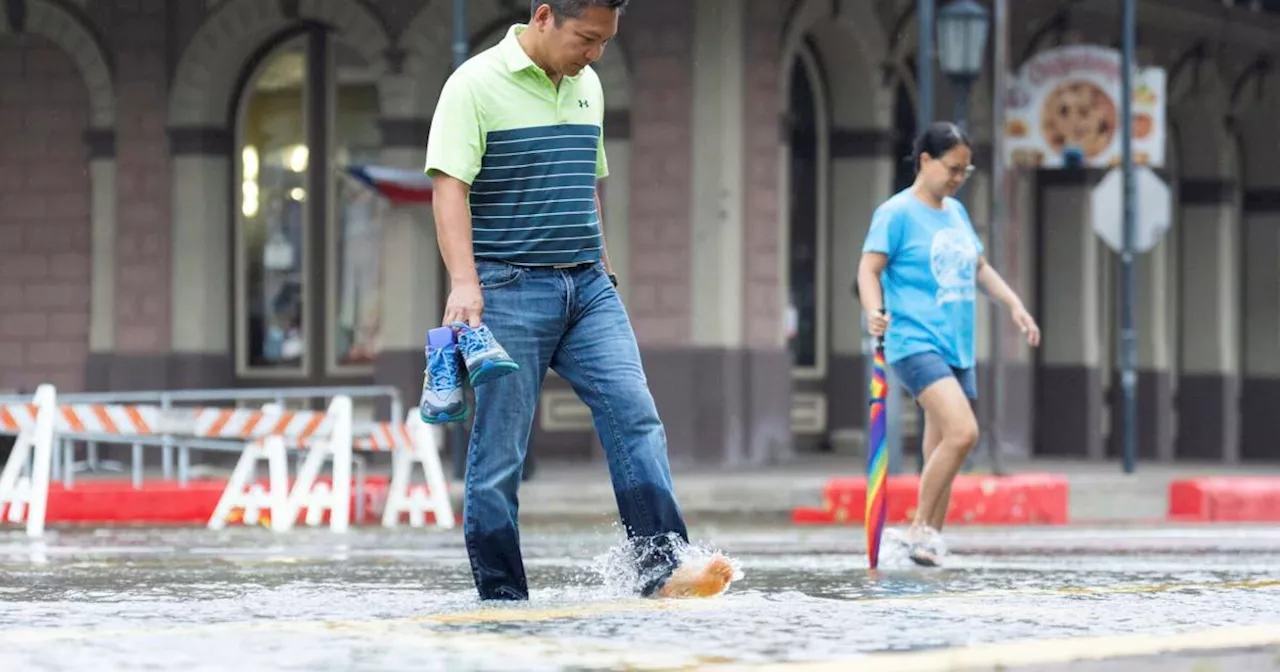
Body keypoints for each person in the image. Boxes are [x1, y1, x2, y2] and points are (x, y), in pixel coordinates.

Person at [424, 0, 735, 601]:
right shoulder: (473, 85)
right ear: (544, 17)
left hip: (590, 288)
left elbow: (585, 186)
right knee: (500, 453)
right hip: (508, 287)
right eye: (586, 39)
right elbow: (448, 190)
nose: (595, 54)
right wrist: (465, 283)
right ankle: (503, 595)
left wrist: (606, 271)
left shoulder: (587, 84)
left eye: (605, 42)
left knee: (635, 414)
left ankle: (663, 568)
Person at [856, 122, 1041, 566]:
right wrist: (872, 310)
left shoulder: (955, 214)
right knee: (964, 433)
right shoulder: (896, 213)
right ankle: (918, 528)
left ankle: (929, 539)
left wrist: (1014, 304)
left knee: (941, 446)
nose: (958, 178)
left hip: (956, 343)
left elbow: (978, 268)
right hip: (914, 341)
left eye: (965, 170)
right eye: (952, 168)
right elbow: (868, 268)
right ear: (925, 161)